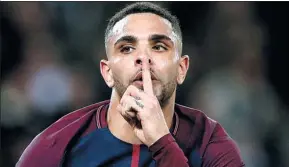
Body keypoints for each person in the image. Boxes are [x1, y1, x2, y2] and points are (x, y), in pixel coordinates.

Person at [17, 2, 245, 167]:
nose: (143, 58)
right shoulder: (57, 146)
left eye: (159, 47)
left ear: (181, 69)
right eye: (127, 48)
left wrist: (161, 142)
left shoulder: (208, 141)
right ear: (107, 73)